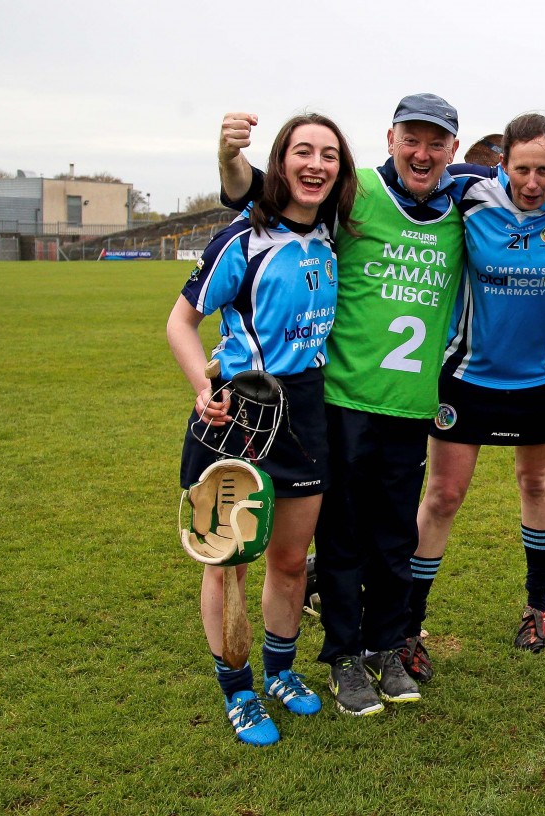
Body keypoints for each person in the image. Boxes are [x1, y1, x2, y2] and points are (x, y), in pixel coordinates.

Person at [217, 93, 466, 716]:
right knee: (343, 536)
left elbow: (529, 187)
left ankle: (386, 645)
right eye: (412, 138)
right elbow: (264, 192)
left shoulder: (465, 205)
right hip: (343, 400)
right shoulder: (352, 194)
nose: (422, 152)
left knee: (393, 540)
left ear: (453, 151)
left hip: (410, 405)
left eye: (436, 142)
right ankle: (344, 656)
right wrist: (230, 156)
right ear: (389, 139)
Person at [169, 112, 358, 746]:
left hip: (304, 411)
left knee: (286, 560)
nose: (316, 165)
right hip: (236, 412)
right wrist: (204, 388)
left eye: (328, 155)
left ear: (340, 170)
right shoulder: (240, 239)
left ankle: (280, 671)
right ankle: (238, 689)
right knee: (227, 564)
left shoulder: (333, 231)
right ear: (279, 164)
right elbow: (180, 323)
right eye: (302, 152)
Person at [404, 114, 545, 680]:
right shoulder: (471, 194)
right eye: (521, 168)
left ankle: (538, 606)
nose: (532, 182)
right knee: (442, 496)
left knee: (535, 483)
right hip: (467, 375)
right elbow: (415, 177)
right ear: (502, 163)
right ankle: (409, 625)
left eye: (544, 169)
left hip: (541, 378)